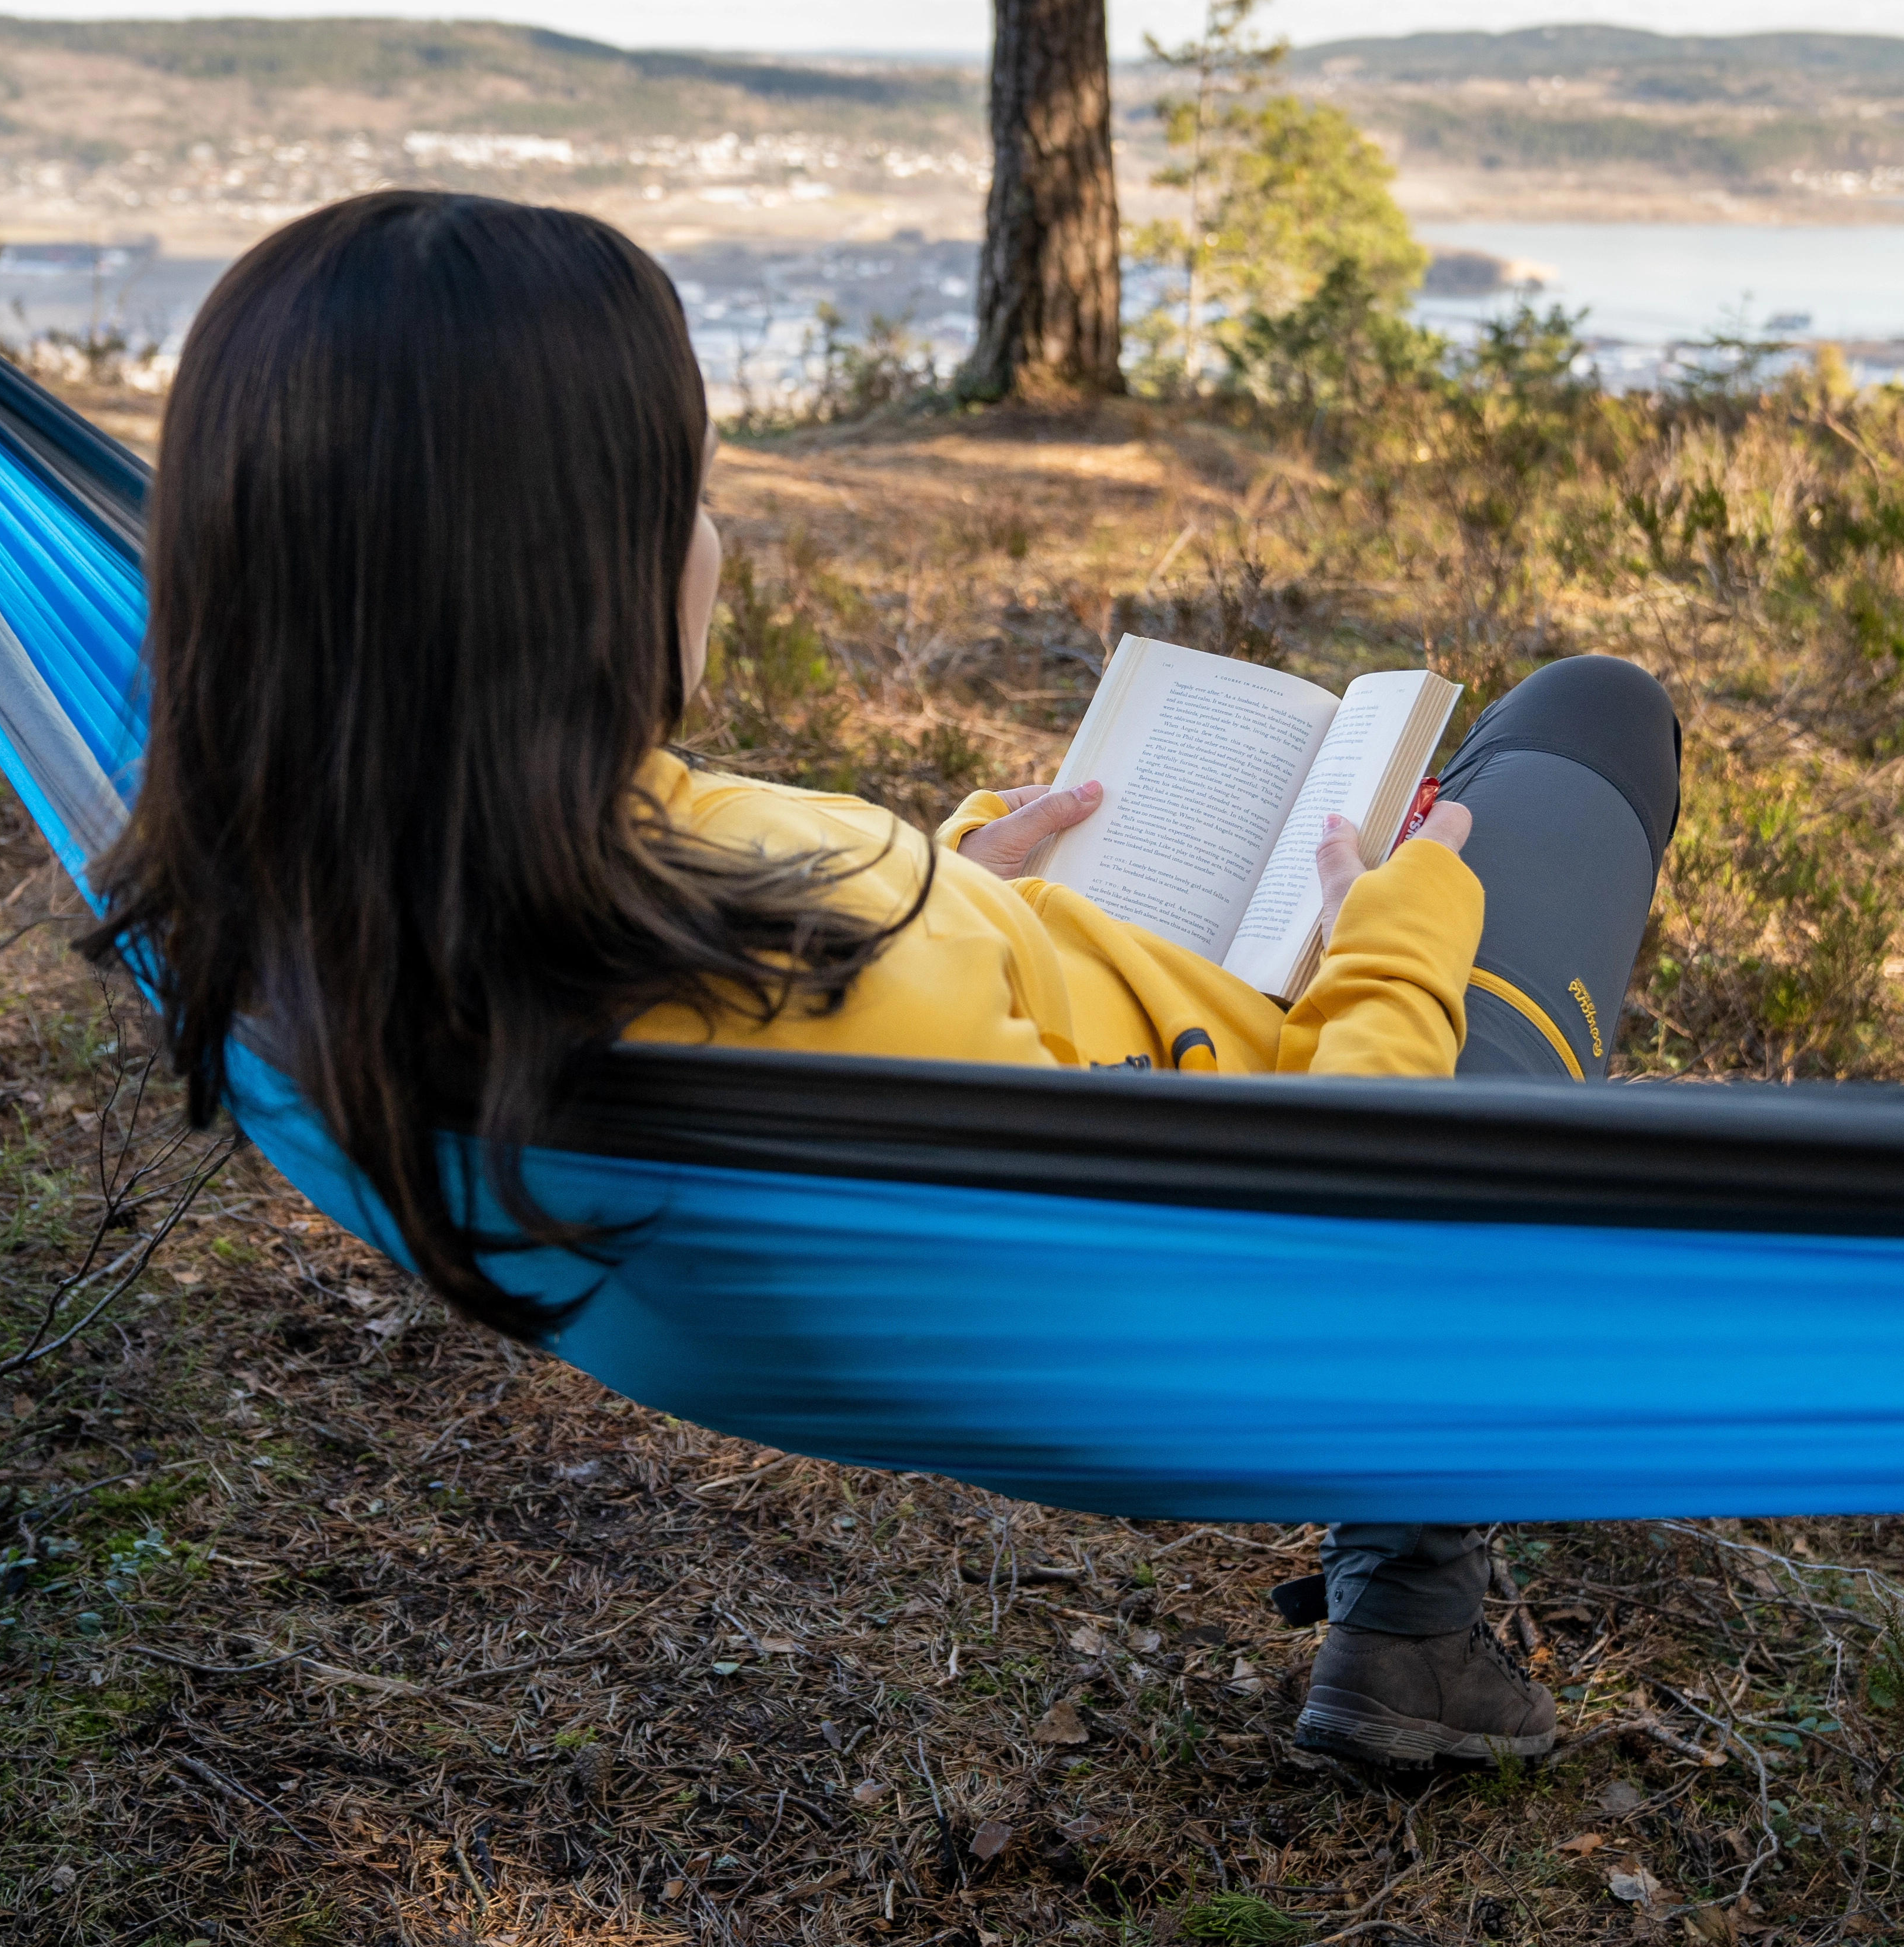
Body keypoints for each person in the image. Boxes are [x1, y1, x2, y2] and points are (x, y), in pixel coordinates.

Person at [89, 189, 1678, 1770]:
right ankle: (1409, 1610)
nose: (711, 543)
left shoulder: (303, 886)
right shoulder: (821, 978)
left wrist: (958, 895)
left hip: (1054, 1072)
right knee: (1588, 718)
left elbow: (853, 999)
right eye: (685, 499)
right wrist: (1399, 930)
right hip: (1275, 1294)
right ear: (569, 578)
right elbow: (1333, 1235)